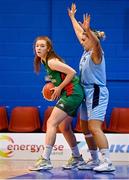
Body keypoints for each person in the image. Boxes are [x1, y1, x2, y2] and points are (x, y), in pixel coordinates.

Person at [68, 3, 115, 172]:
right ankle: (95, 160)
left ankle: (107, 161)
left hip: (96, 91)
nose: (81, 40)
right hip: (85, 93)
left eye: (85, 38)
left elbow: (94, 42)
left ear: (91, 38)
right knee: (85, 128)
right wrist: (73, 18)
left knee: (95, 127)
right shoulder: (86, 51)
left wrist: (88, 30)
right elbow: (79, 33)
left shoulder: (96, 53)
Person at [29, 36, 85, 170]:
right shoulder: (43, 61)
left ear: (48, 49)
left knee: (51, 122)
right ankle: (77, 158)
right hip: (71, 93)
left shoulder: (52, 61)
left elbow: (72, 72)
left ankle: (45, 159)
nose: (39, 48)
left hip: (72, 93)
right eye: (37, 46)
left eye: (42, 46)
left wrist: (59, 88)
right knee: (64, 127)